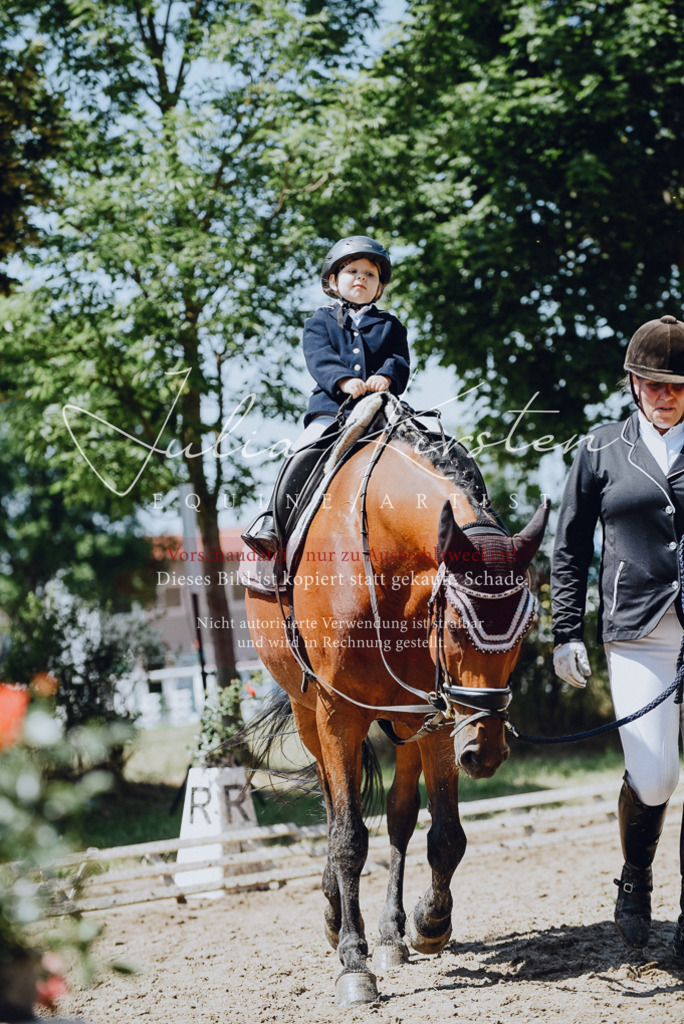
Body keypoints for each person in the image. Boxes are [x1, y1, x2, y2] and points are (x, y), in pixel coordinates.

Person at [551, 314, 684, 955]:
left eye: (679, 384)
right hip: (637, 630)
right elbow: (571, 545)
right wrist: (565, 631)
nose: (667, 394)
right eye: (655, 383)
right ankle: (635, 876)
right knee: (654, 777)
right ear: (634, 382)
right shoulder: (601, 447)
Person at [242, 236, 410, 556]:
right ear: (334, 281)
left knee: (431, 444)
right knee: (301, 450)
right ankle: (273, 524)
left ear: (379, 287)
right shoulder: (319, 320)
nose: (361, 277)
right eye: (352, 271)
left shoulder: (391, 325)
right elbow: (318, 356)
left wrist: (386, 376)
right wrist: (344, 379)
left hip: (382, 409)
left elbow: (399, 360)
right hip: (332, 410)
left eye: (370, 274)